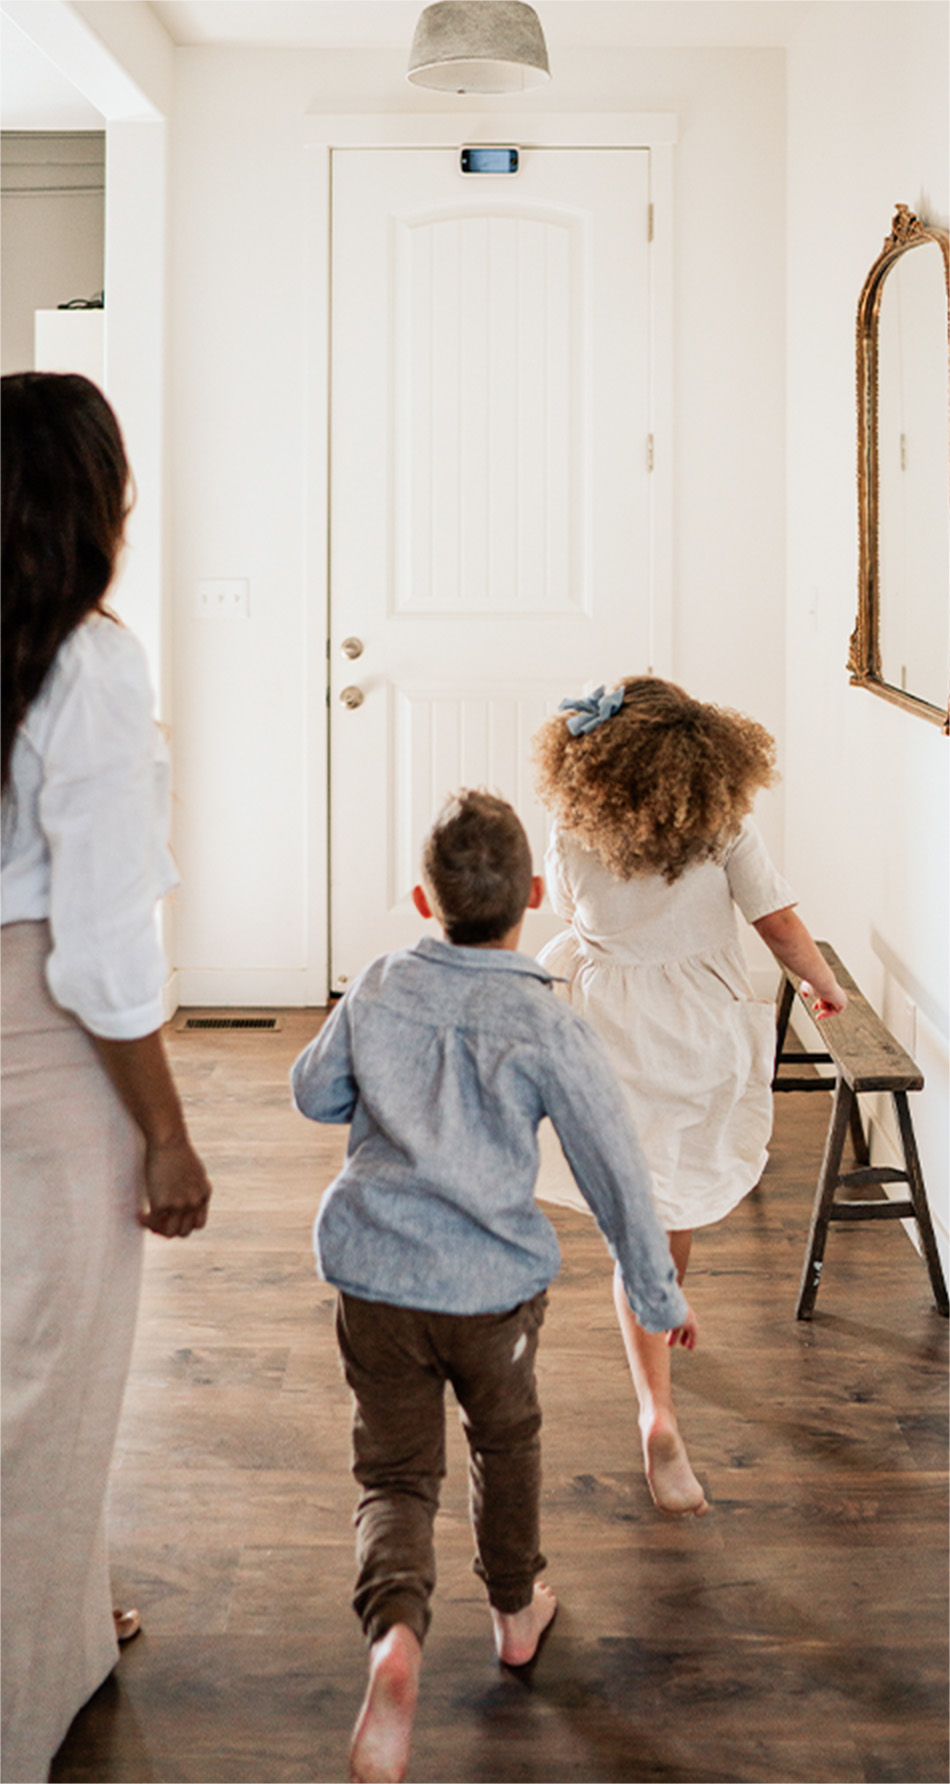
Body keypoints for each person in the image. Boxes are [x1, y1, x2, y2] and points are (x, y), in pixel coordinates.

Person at [291, 790, 696, 1784]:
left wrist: (381, 1074)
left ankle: (394, 1633)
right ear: (535, 893)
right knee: (502, 1443)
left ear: (422, 899)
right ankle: (514, 1614)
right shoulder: (542, 1019)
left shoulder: (381, 982)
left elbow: (313, 1090)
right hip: (490, 1294)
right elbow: (611, 1166)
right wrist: (656, 1291)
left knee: (393, 1474)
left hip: (375, 1276)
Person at [1, 372, 212, 1784]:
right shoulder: (84, 659)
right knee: (46, 1384)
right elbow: (100, 950)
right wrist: (168, 1133)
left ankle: (62, 1620)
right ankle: (21, 1705)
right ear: (98, 504)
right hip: (37, 1042)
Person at [532, 676, 847, 1520]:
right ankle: (661, 1352)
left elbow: (568, 907)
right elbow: (776, 922)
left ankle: (656, 1404)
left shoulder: (573, 827)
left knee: (635, 1211)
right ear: (705, 755)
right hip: (695, 1029)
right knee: (669, 1209)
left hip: (603, 1025)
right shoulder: (724, 825)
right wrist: (820, 987)